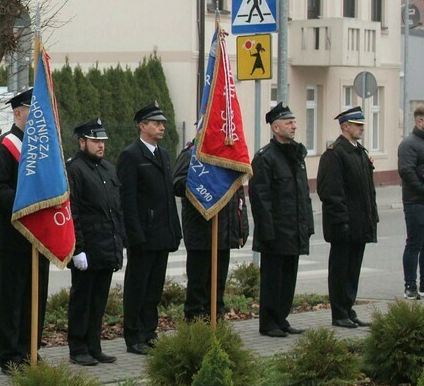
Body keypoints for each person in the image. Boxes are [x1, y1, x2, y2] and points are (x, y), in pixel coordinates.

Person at [0, 89, 47, 374]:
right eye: (30, 110)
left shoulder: (43, 150)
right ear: (17, 113)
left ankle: (30, 348)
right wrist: (26, 201)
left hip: (40, 235)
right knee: (13, 297)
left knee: (36, 295)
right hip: (14, 236)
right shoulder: (3, 147)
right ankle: (10, 354)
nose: (36, 116)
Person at [117, 102, 182, 355]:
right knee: (138, 287)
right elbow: (128, 201)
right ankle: (134, 336)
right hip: (143, 235)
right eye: (156, 123)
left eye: (163, 123)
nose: (162, 126)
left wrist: (174, 230)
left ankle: (149, 331)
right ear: (142, 126)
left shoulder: (163, 155)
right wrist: (134, 235)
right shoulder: (131, 155)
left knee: (154, 288)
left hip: (161, 233)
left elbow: (167, 197)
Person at [249, 102, 314, 338]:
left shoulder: (296, 155)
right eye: (289, 123)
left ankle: (281, 318)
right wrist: (267, 231)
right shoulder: (265, 158)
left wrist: (307, 225)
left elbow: (303, 194)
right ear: (276, 128)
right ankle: (268, 323)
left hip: (294, 229)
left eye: (294, 122)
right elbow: (260, 199)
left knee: (289, 278)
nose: (294, 126)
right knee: (273, 279)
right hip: (275, 231)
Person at [66, 118, 124, 366]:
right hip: (86, 248)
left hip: (106, 245)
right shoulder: (74, 169)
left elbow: (115, 209)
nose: (101, 146)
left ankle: (94, 345)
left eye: (103, 141)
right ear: (82, 142)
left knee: (99, 299)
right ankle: (78, 347)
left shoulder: (108, 169)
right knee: (83, 299)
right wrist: (77, 249)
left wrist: (119, 242)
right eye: (96, 141)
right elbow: (73, 211)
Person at [173, 140, 249, 322]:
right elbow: (177, 184)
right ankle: (195, 326)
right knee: (198, 287)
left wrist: (241, 227)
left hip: (224, 232)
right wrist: (204, 182)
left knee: (218, 286)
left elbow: (237, 195)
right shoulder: (191, 153)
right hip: (201, 232)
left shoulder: (227, 155)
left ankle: (216, 322)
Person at [316, 106, 378, 328]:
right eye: (357, 125)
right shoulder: (335, 153)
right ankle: (339, 313)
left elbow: (368, 191)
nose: (361, 129)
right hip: (343, 224)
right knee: (340, 269)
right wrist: (341, 221)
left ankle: (348, 308)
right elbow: (331, 192)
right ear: (344, 126)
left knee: (353, 269)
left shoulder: (359, 152)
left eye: (362, 125)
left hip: (360, 223)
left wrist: (373, 216)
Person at [399, 105, 424, 300]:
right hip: (416, 201)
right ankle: (410, 286)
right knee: (415, 244)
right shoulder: (409, 143)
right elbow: (407, 172)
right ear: (419, 121)